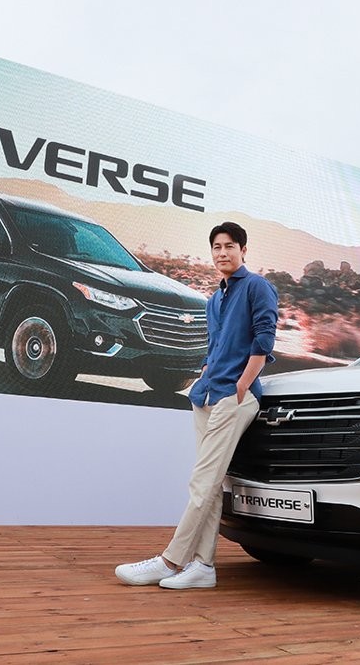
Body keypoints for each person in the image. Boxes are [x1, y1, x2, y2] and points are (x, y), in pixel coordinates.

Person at [115, 221, 278, 589]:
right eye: (217, 247)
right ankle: (203, 566)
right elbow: (213, 346)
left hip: (234, 398)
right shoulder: (214, 299)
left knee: (201, 482)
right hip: (206, 395)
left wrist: (242, 386)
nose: (223, 252)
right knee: (212, 484)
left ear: (244, 250)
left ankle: (171, 560)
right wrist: (204, 377)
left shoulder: (257, 287)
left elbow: (264, 340)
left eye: (230, 246)